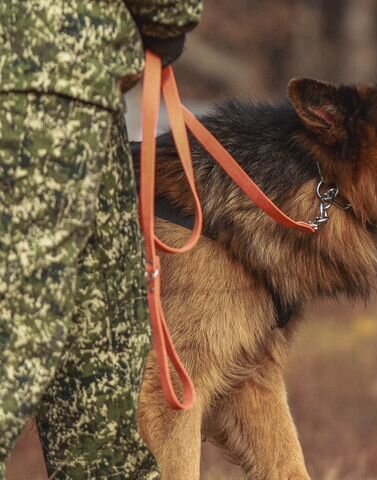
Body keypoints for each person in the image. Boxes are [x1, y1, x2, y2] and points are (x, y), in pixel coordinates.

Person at [0, 1, 202, 477]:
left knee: (102, 343)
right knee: (21, 326)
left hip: (76, 79)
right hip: (48, 67)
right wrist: (169, 17)